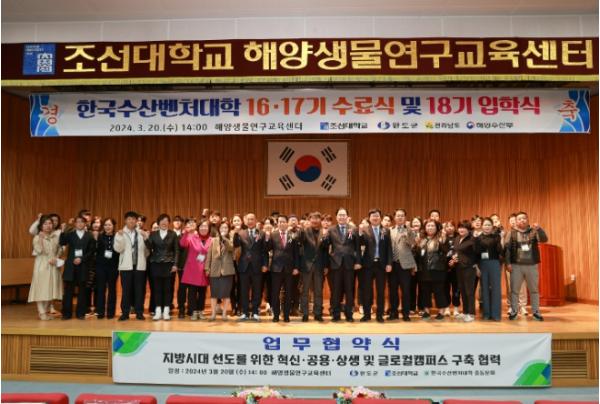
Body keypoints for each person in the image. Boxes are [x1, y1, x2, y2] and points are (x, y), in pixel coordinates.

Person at [505, 211, 548, 321]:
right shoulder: (511, 233)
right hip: (516, 266)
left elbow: (544, 239)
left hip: (531, 265)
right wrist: (508, 263)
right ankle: (514, 311)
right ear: (516, 221)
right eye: (519, 219)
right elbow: (507, 249)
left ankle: (536, 312)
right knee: (514, 290)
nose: (522, 220)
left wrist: (539, 229)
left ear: (527, 220)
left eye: (524, 218)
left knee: (534, 290)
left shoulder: (534, 231)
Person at [322, 208, 361, 322]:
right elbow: (325, 246)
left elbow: (357, 247)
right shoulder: (331, 229)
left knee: (349, 290)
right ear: (336, 217)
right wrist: (324, 237)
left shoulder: (353, 229)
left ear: (347, 217)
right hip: (335, 264)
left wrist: (358, 262)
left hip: (349, 264)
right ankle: (336, 314)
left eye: (344, 215)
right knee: (336, 291)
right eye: (340, 215)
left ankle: (349, 314)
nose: (342, 217)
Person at [358, 209, 393, 323]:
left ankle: (379, 315)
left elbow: (389, 248)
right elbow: (360, 244)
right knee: (367, 291)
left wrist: (389, 263)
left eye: (377, 216)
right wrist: (360, 233)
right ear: (369, 218)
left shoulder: (386, 230)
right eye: (373, 216)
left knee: (381, 291)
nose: (375, 218)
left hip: (381, 265)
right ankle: (367, 314)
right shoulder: (365, 230)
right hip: (367, 265)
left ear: (380, 218)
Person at [114, 211, 149, 321]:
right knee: (126, 291)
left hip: (139, 266)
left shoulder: (142, 233)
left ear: (136, 221)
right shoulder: (120, 233)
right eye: (129, 219)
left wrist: (146, 238)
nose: (131, 221)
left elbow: (147, 251)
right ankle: (125, 313)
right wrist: (120, 237)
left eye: (133, 219)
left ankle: (139, 312)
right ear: (125, 220)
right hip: (126, 266)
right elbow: (118, 249)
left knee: (139, 291)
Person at [144, 214, 180, 321]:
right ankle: (158, 310)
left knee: (168, 289)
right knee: (157, 289)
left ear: (169, 223)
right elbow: (150, 247)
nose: (164, 222)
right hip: (156, 264)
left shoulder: (173, 234)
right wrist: (146, 239)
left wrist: (175, 264)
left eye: (166, 221)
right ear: (158, 222)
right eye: (162, 220)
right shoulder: (153, 234)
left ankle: (166, 311)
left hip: (169, 265)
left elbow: (176, 250)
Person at [59, 216, 96, 320]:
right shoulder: (70, 234)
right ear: (74, 224)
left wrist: (82, 259)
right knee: (68, 291)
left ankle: (80, 313)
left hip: (83, 266)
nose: (80, 224)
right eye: (78, 222)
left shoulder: (89, 235)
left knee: (82, 291)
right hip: (71, 266)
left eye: (82, 222)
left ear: (85, 224)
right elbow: (62, 242)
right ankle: (66, 314)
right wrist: (63, 230)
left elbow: (92, 251)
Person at [233, 213, 268, 322]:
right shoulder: (241, 233)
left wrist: (265, 264)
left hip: (257, 266)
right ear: (245, 221)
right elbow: (236, 245)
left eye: (252, 219)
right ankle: (245, 312)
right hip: (244, 266)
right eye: (248, 219)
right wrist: (235, 233)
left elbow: (264, 251)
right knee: (244, 290)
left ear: (255, 220)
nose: (250, 221)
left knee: (257, 290)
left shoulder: (261, 233)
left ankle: (255, 312)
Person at [265, 215, 300, 322]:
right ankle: (276, 315)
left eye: (283, 221)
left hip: (289, 269)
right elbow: (267, 248)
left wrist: (296, 267)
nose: (281, 223)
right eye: (280, 222)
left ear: (287, 223)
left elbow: (296, 253)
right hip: (276, 269)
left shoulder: (292, 236)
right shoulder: (273, 235)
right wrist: (267, 238)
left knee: (289, 293)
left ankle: (286, 315)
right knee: (275, 293)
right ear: (277, 224)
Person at [28, 215, 63, 320]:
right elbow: (39, 250)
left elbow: (60, 249)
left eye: (50, 223)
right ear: (41, 226)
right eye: (45, 224)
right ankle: (42, 313)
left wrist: (56, 257)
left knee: (51, 289)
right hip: (42, 265)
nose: (48, 226)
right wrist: (41, 239)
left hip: (53, 265)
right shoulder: (37, 237)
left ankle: (45, 311)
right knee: (40, 288)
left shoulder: (56, 236)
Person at [297, 212, 328, 322]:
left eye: (317, 218)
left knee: (318, 292)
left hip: (319, 266)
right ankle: (305, 314)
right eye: (313, 218)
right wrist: (302, 229)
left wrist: (326, 266)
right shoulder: (305, 231)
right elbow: (299, 240)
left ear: (320, 220)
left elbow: (325, 250)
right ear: (310, 220)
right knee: (305, 291)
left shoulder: (323, 232)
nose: (315, 220)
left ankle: (318, 313)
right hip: (307, 266)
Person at [416, 219, 449, 321]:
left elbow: (446, 252)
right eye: (428, 226)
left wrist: (443, 240)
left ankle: (441, 312)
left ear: (437, 227)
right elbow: (418, 255)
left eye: (432, 226)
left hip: (437, 270)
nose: (430, 228)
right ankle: (426, 311)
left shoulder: (441, 238)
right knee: (425, 291)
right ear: (425, 228)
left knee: (439, 291)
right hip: (424, 270)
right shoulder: (422, 240)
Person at [180, 219, 212, 320]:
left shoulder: (212, 240)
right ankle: (193, 311)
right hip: (193, 269)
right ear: (198, 228)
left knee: (202, 292)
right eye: (201, 226)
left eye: (206, 226)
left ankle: (201, 310)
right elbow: (183, 244)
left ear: (209, 228)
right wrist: (186, 232)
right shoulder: (192, 237)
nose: (203, 228)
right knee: (192, 292)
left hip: (204, 269)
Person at [389, 209, 417, 322]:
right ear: (394, 218)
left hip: (405, 265)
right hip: (392, 264)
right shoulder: (390, 230)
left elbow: (413, 243)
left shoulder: (409, 230)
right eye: (398, 215)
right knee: (393, 291)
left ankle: (406, 313)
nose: (400, 217)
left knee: (406, 291)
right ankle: (393, 313)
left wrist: (409, 230)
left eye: (402, 216)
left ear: (405, 218)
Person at [205, 222, 236, 321]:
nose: (224, 229)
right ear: (219, 229)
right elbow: (209, 255)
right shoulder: (213, 240)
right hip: (215, 270)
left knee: (226, 294)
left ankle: (224, 314)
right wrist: (207, 268)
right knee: (214, 293)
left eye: (226, 227)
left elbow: (231, 248)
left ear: (228, 229)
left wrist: (224, 239)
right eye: (222, 227)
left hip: (227, 270)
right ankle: (213, 314)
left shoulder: (231, 240)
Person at [449, 220, 478, 322]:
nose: (461, 229)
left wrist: (476, 265)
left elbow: (477, 253)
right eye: (460, 227)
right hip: (459, 268)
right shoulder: (457, 238)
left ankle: (471, 313)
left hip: (469, 268)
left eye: (464, 227)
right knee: (462, 290)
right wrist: (453, 258)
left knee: (469, 291)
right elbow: (455, 251)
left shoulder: (473, 239)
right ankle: (465, 312)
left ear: (469, 229)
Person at [475, 217, 504, 321]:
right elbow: (476, 254)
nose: (487, 227)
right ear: (482, 226)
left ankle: (496, 314)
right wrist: (477, 267)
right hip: (482, 264)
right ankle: (486, 314)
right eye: (485, 225)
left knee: (496, 288)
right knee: (484, 289)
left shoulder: (496, 237)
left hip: (494, 263)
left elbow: (500, 251)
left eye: (489, 225)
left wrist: (501, 239)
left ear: (492, 226)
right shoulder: (478, 238)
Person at [95, 218, 120, 319]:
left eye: (109, 225)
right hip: (101, 266)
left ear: (113, 226)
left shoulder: (117, 237)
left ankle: (110, 313)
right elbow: (96, 250)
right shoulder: (99, 236)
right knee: (101, 289)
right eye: (105, 225)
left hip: (113, 266)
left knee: (112, 289)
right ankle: (100, 312)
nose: (107, 227)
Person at [504, 213, 528, 316]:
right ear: (509, 223)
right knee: (510, 286)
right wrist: (508, 263)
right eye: (511, 221)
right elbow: (506, 250)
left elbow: (527, 248)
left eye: (515, 220)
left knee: (522, 286)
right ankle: (511, 306)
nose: (513, 222)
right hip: (510, 264)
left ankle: (522, 306)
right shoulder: (508, 234)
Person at [443, 221, 461, 317]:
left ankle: (456, 308)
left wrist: (454, 260)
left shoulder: (459, 237)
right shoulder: (442, 237)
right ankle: (446, 308)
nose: (449, 228)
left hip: (456, 267)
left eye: (451, 226)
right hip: (445, 268)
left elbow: (461, 251)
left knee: (456, 289)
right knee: (445, 288)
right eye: (447, 226)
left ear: (455, 227)